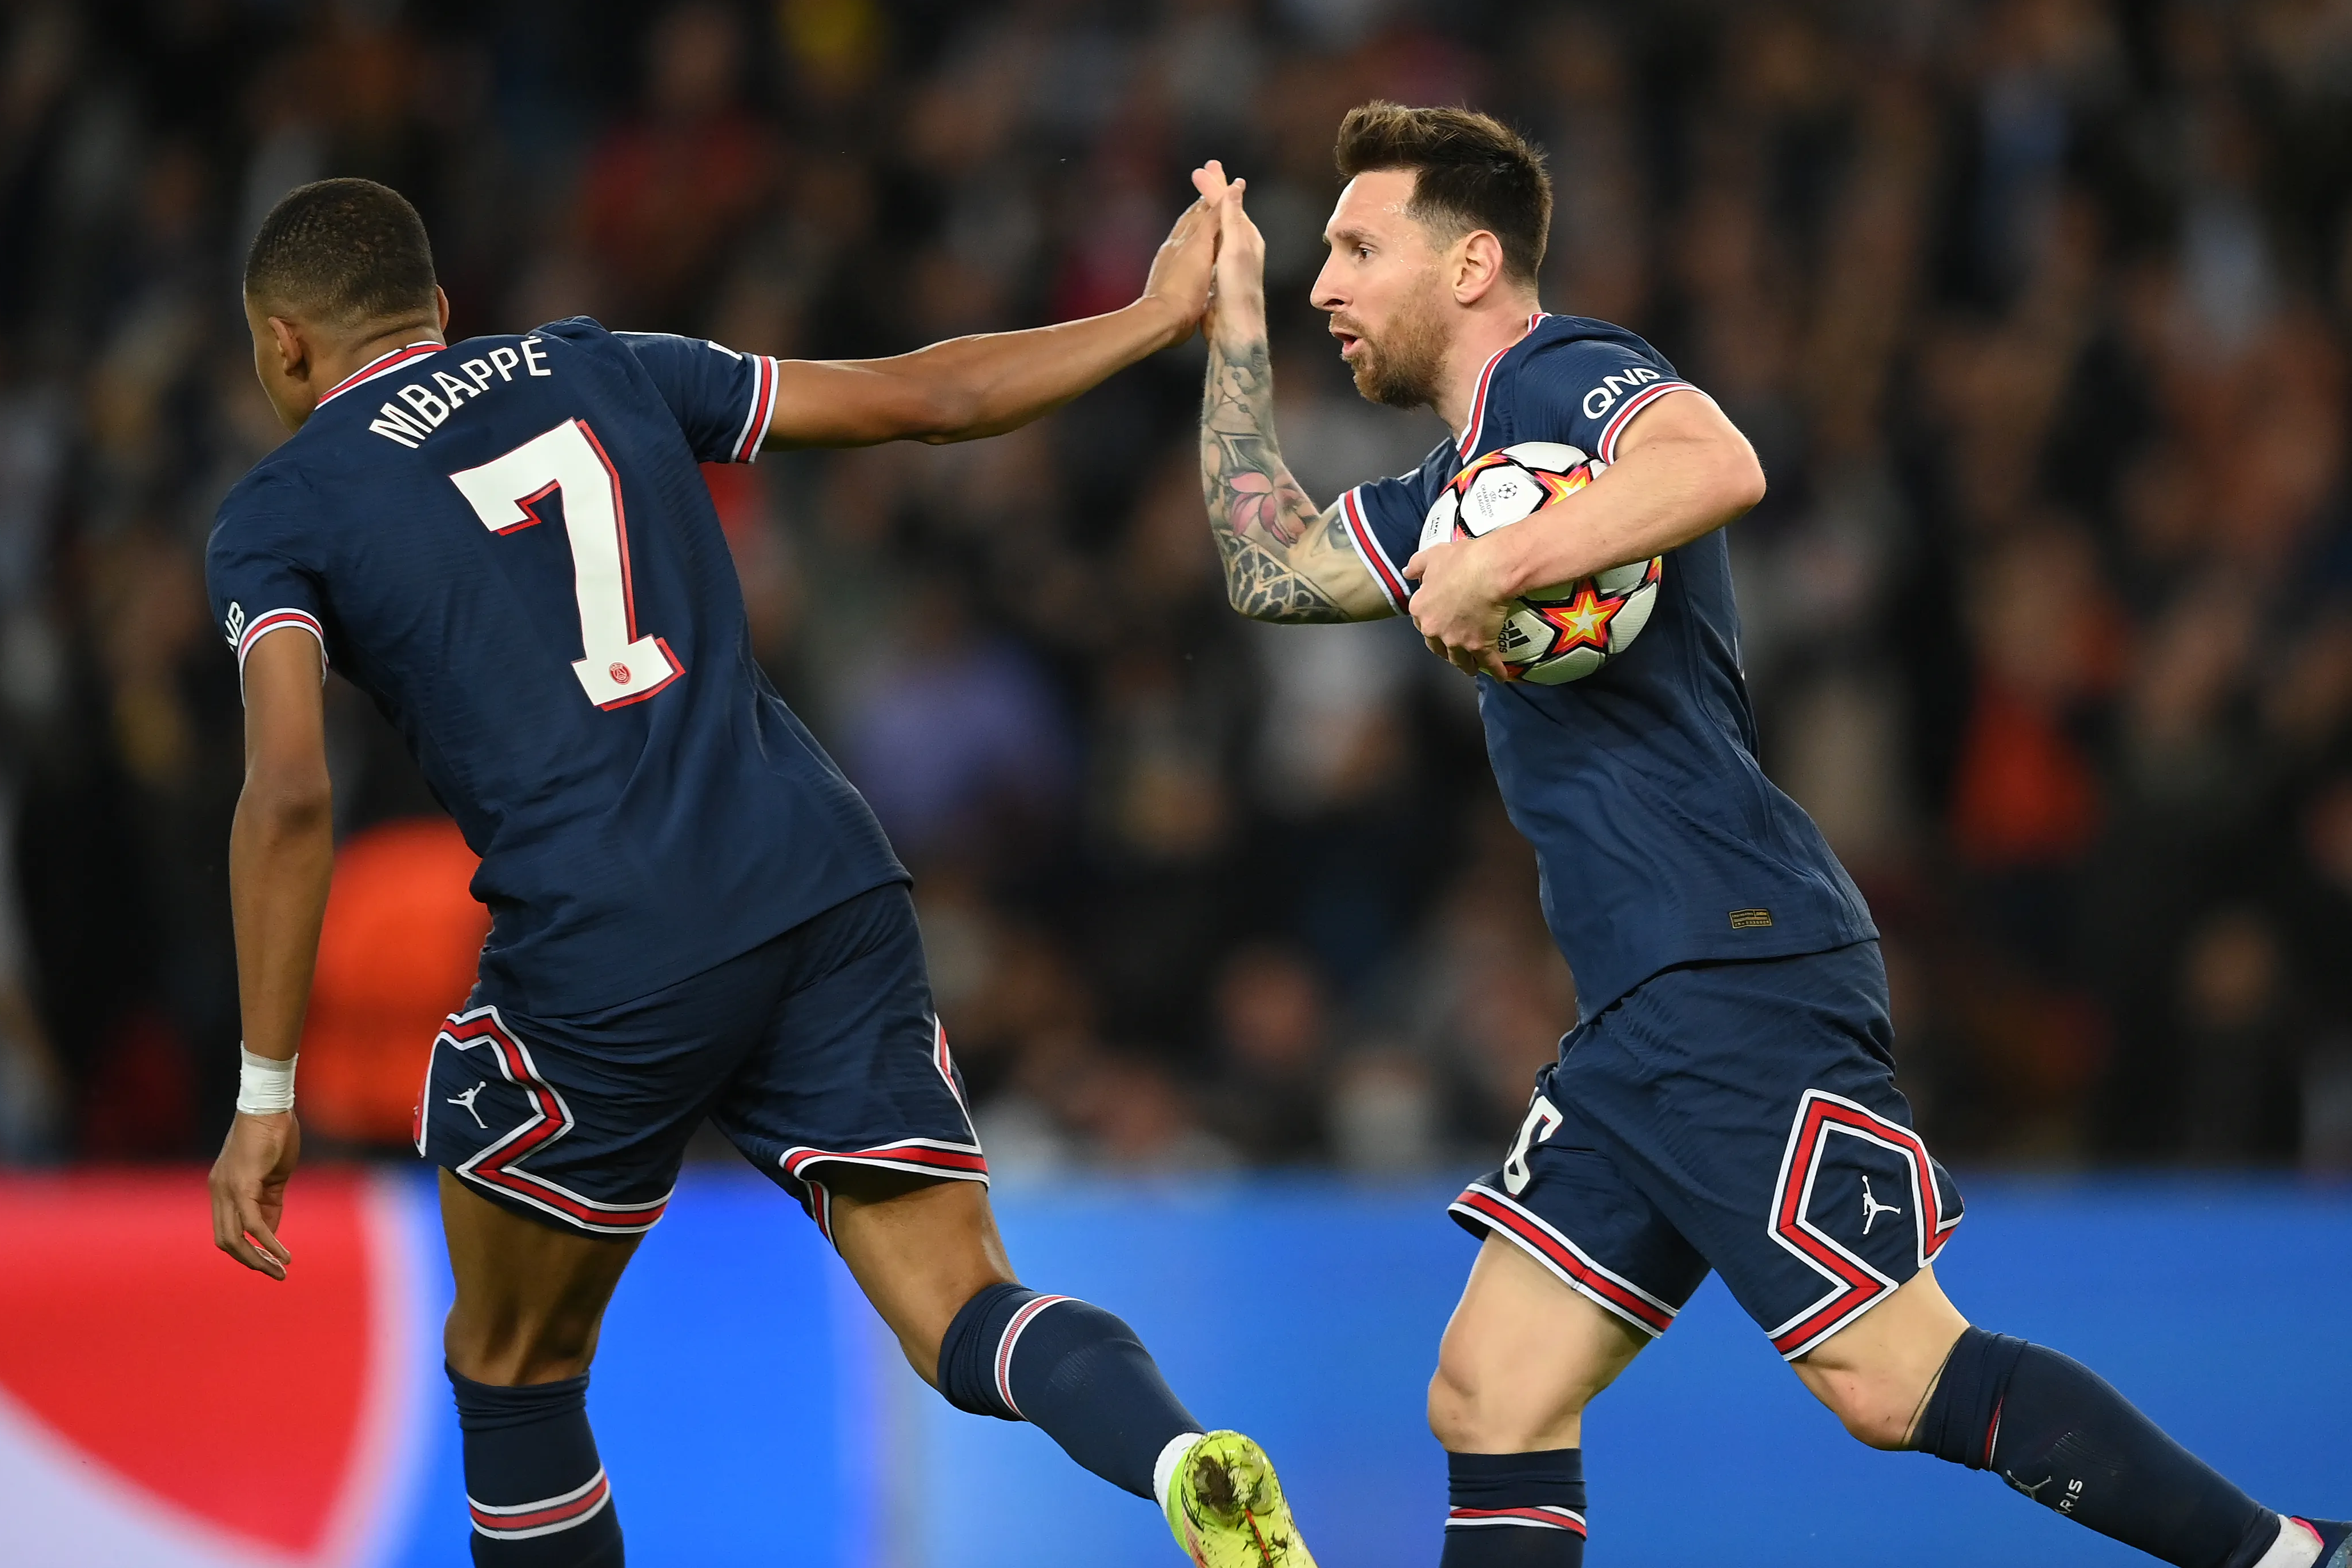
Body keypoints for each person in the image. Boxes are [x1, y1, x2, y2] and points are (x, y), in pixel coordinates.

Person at [1188, 104, 2346, 1568]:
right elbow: (1268, 566)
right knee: (1490, 1388)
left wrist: (1504, 562)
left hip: (1729, 958)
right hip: (1639, 1006)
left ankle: (2290, 1558)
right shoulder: (1449, 483)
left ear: (1471, 262)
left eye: (1357, 249)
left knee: (1891, 1375)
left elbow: (1716, 462)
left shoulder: (1565, 372)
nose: (1326, 285)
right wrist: (1229, 321)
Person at [203, 176, 1312, 1568]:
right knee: (963, 1307)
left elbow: (290, 791)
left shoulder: (280, 509)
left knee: (515, 1373)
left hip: (605, 933)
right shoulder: (600, 362)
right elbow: (933, 398)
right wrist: (1150, 316)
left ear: (284, 346)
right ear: (436, 307)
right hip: (818, 878)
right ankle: (1176, 1454)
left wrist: (264, 1092)